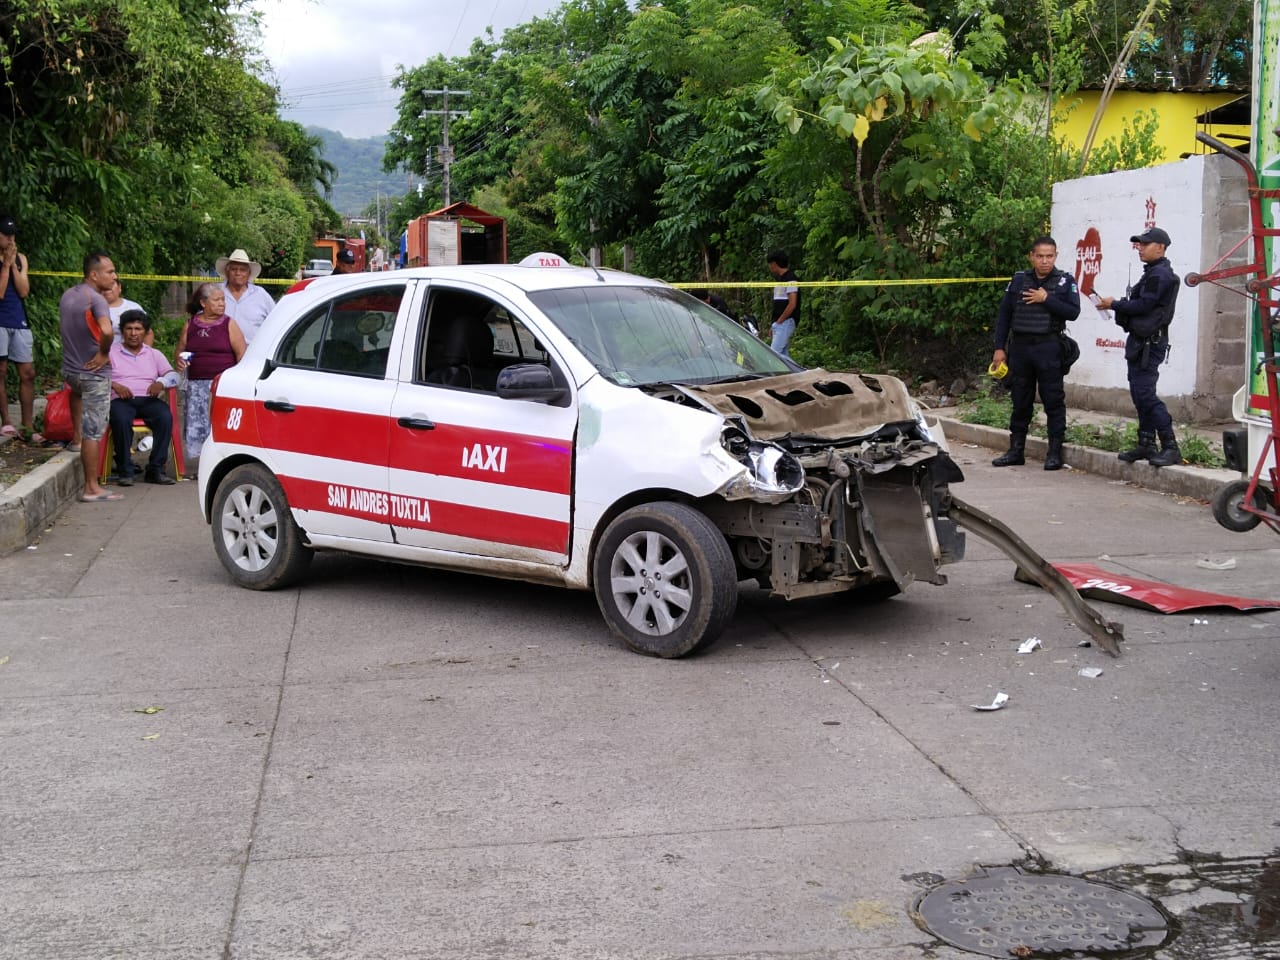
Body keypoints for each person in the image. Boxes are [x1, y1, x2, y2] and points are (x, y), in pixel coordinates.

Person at [990, 236, 1081, 471]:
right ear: (1031, 256)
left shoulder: (1064, 281)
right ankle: (1015, 451)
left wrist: (1046, 299)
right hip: (1020, 349)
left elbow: (1073, 312)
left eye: (1049, 256)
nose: (1044, 261)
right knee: (1020, 400)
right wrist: (999, 348)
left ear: (1056, 256)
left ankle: (1054, 454)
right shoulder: (1019, 280)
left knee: (1053, 401)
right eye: (1040, 256)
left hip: (1048, 347)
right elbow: (1004, 315)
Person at [1095, 227, 1181, 467]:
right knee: (1139, 394)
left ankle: (1170, 446)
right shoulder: (1152, 272)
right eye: (1139, 244)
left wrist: (1114, 304)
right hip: (1140, 342)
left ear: (1160, 247)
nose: (1140, 248)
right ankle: (1146, 443)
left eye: (1145, 244)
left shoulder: (1160, 275)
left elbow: (1144, 305)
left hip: (1149, 344)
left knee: (1145, 394)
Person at [59, 250, 121, 501]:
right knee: (94, 432)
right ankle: (91, 487)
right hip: (93, 374)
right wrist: (104, 353)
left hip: (71, 371)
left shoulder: (68, 295)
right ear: (94, 275)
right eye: (110, 272)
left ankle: (76, 440)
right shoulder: (96, 300)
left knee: (76, 396)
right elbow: (107, 331)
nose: (114, 276)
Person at [176, 282, 245, 471]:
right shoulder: (191, 325)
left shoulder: (229, 324)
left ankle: (222, 462)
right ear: (203, 303)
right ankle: (203, 465)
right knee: (198, 424)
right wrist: (181, 361)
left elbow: (241, 353)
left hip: (221, 385)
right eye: (216, 300)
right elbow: (181, 351)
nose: (222, 303)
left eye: (223, 299)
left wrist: (237, 381)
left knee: (219, 424)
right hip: (196, 385)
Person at [108, 310, 178, 485]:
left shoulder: (154, 354)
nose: (133, 333)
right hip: (121, 400)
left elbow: (174, 375)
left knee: (164, 416)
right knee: (120, 419)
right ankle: (125, 470)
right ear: (122, 331)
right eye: (129, 328)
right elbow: (97, 377)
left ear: (145, 332)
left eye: (138, 329)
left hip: (148, 399)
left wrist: (161, 382)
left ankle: (156, 469)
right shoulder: (110, 353)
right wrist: (115, 385)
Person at [0, 213, 40, 442]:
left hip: (19, 320)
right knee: (1, 370)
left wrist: (13, 264)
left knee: (27, 372)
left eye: (13, 235)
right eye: (6, 235)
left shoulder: (21, 258)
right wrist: (5, 265)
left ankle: (28, 425)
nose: (11, 239)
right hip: (0, 321)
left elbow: (23, 291)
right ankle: (6, 421)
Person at [215, 248, 275, 343]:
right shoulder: (215, 292)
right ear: (227, 272)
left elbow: (275, 320)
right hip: (220, 349)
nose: (238, 273)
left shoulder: (260, 294)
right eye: (233, 269)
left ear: (248, 273)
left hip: (252, 350)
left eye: (242, 270)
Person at [766, 250, 800, 356]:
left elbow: (792, 304)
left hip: (786, 321)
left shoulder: (790, 279)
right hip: (779, 323)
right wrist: (774, 325)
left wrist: (779, 322)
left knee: (773, 356)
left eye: (770, 264)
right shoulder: (780, 280)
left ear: (774, 264)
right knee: (783, 358)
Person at [104, 278, 153, 345]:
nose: (107, 288)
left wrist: (146, 351)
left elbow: (148, 333)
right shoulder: (91, 307)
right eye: (103, 285)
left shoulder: (133, 307)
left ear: (119, 287)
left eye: (111, 284)